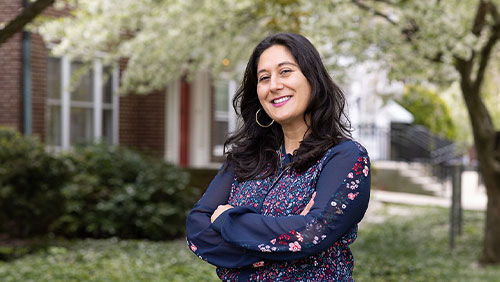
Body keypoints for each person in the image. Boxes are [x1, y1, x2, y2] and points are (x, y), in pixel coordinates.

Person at [186, 33, 370, 282]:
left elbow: (311, 234)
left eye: (285, 71)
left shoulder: (344, 158)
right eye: (264, 78)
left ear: (312, 79)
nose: (274, 85)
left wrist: (226, 220)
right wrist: (282, 244)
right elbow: (197, 230)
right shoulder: (244, 159)